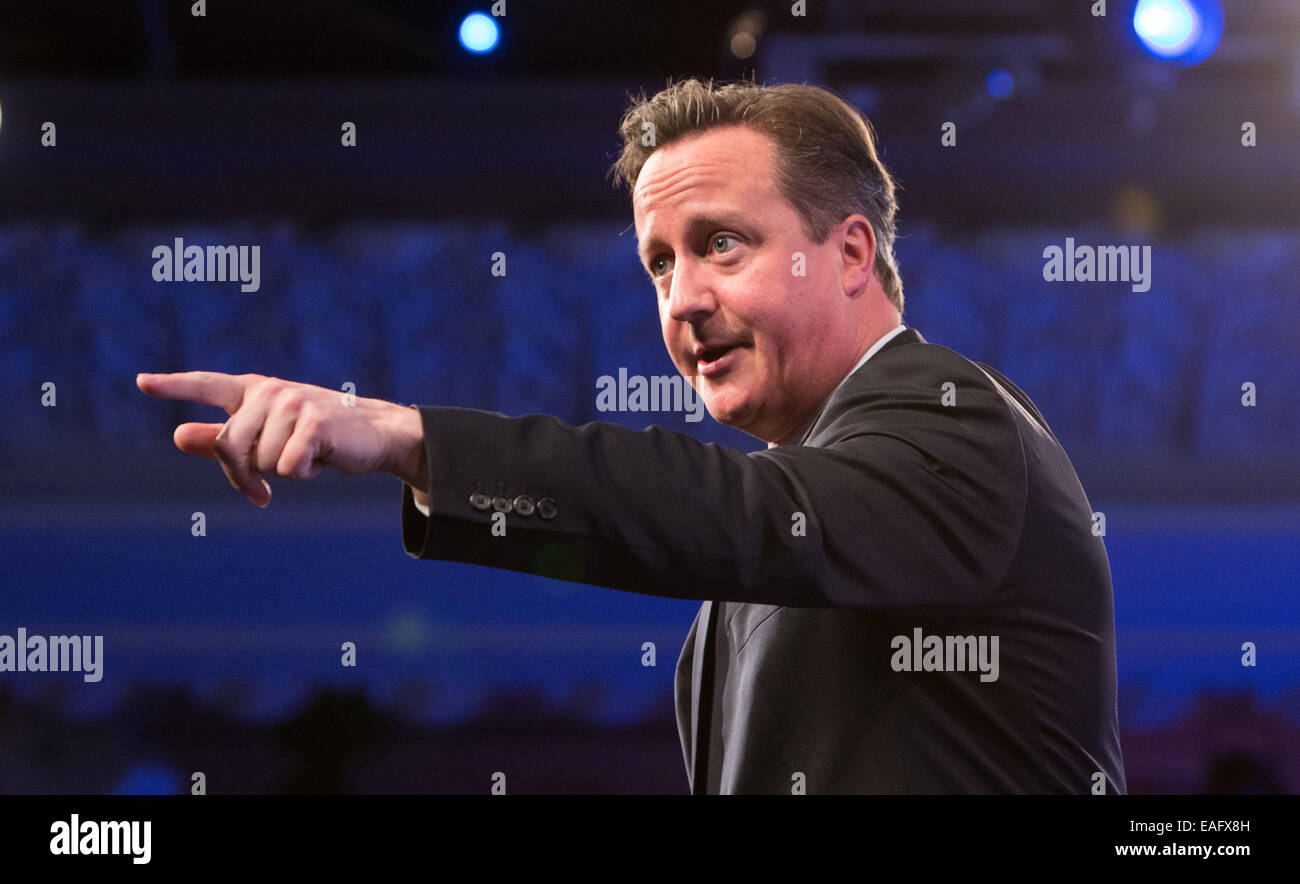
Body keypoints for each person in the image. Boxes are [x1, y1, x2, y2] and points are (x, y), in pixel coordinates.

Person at [137, 77, 1126, 794]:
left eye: (721, 245)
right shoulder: (757, 569)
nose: (683, 301)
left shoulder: (955, 420)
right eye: (659, 265)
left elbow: (732, 512)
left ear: (850, 253)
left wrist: (412, 438)